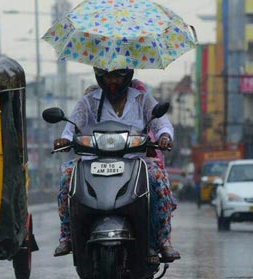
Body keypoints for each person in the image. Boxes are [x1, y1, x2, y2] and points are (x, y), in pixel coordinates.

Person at [52, 67, 180, 263]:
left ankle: (162, 240)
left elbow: (163, 124)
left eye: (117, 76)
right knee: (66, 176)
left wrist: (164, 136)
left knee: (159, 181)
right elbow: (71, 128)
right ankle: (67, 234)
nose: (112, 81)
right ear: (99, 75)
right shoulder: (89, 102)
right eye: (107, 75)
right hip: (93, 161)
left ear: (127, 75)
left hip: (136, 161)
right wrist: (64, 139)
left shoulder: (142, 100)